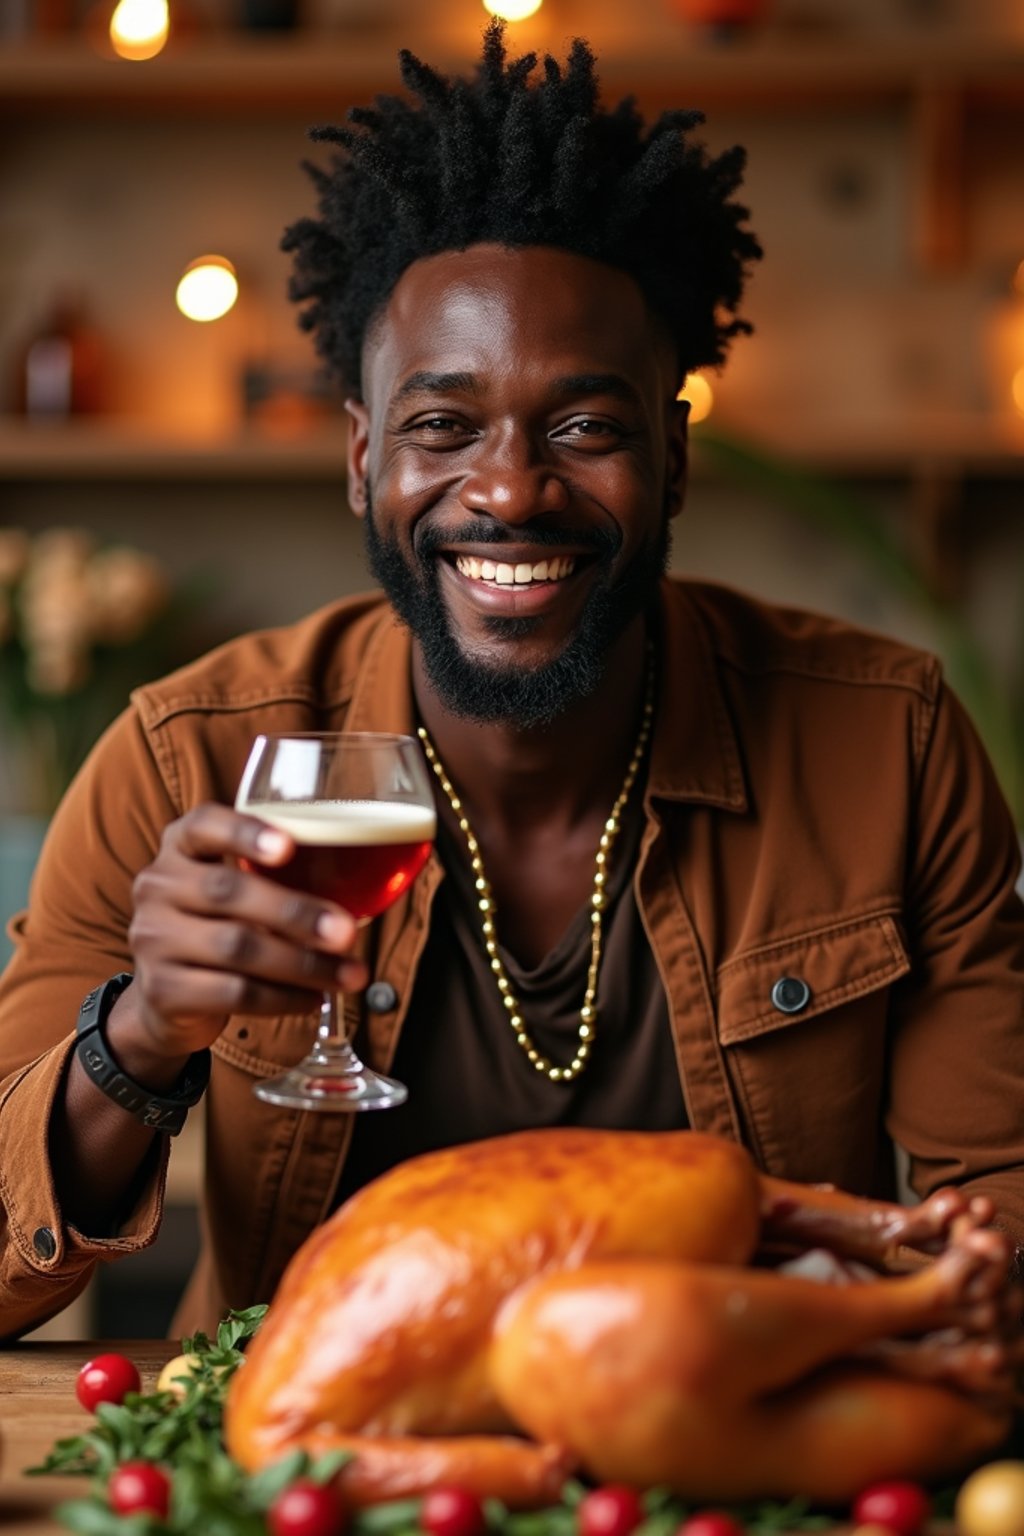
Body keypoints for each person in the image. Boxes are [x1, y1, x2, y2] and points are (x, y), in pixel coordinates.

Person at [0, 22, 1021, 1344]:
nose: (510, 489)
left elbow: (998, 1210)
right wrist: (137, 1040)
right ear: (363, 463)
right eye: (444, 426)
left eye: (585, 427)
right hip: (310, 1471)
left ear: (674, 457)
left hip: (726, 1454)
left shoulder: (890, 744)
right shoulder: (187, 760)